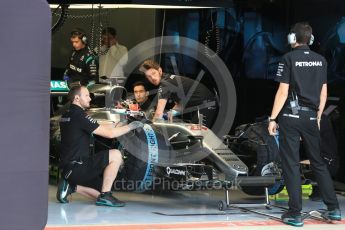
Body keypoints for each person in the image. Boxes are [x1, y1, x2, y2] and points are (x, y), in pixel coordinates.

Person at [268, 22, 341, 226]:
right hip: (311, 117)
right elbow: (323, 93)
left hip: (290, 117)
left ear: (292, 39)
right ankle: (334, 209)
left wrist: (272, 118)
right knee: (318, 162)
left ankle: (295, 213)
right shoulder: (321, 60)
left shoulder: (288, 58)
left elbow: (283, 92)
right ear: (310, 39)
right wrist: (317, 117)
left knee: (291, 164)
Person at [56, 85, 144, 207]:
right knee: (116, 155)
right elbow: (110, 134)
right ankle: (106, 196)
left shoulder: (68, 114)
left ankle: (72, 187)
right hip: (78, 167)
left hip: (68, 169)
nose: (90, 99)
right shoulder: (80, 116)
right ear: (77, 98)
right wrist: (132, 126)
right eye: (86, 95)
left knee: (100, 190)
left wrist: (124, 122)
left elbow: (103, 127)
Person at [139, 59, 216, 126]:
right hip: (204, 102)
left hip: (206, 103)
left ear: (159, 70)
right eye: (148, 76)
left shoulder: (165, 84)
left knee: (197, 134)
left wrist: (150, 127)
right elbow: (181, 105)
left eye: (153, 73)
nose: (152, 78)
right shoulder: (168, 79)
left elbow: (159, 114)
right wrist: (168, 115)